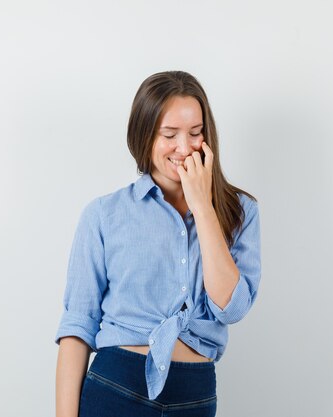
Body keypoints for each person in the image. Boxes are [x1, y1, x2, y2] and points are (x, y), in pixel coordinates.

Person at [54, 70, 262, 417]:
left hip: (194, 395)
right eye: (170, 134)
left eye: (195, 133)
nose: (184, 148)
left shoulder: (241, 212)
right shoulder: (104, 214)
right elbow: (78, 326)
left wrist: (203, 207)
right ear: (144, 136)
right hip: (115, 387)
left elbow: (231, 306)